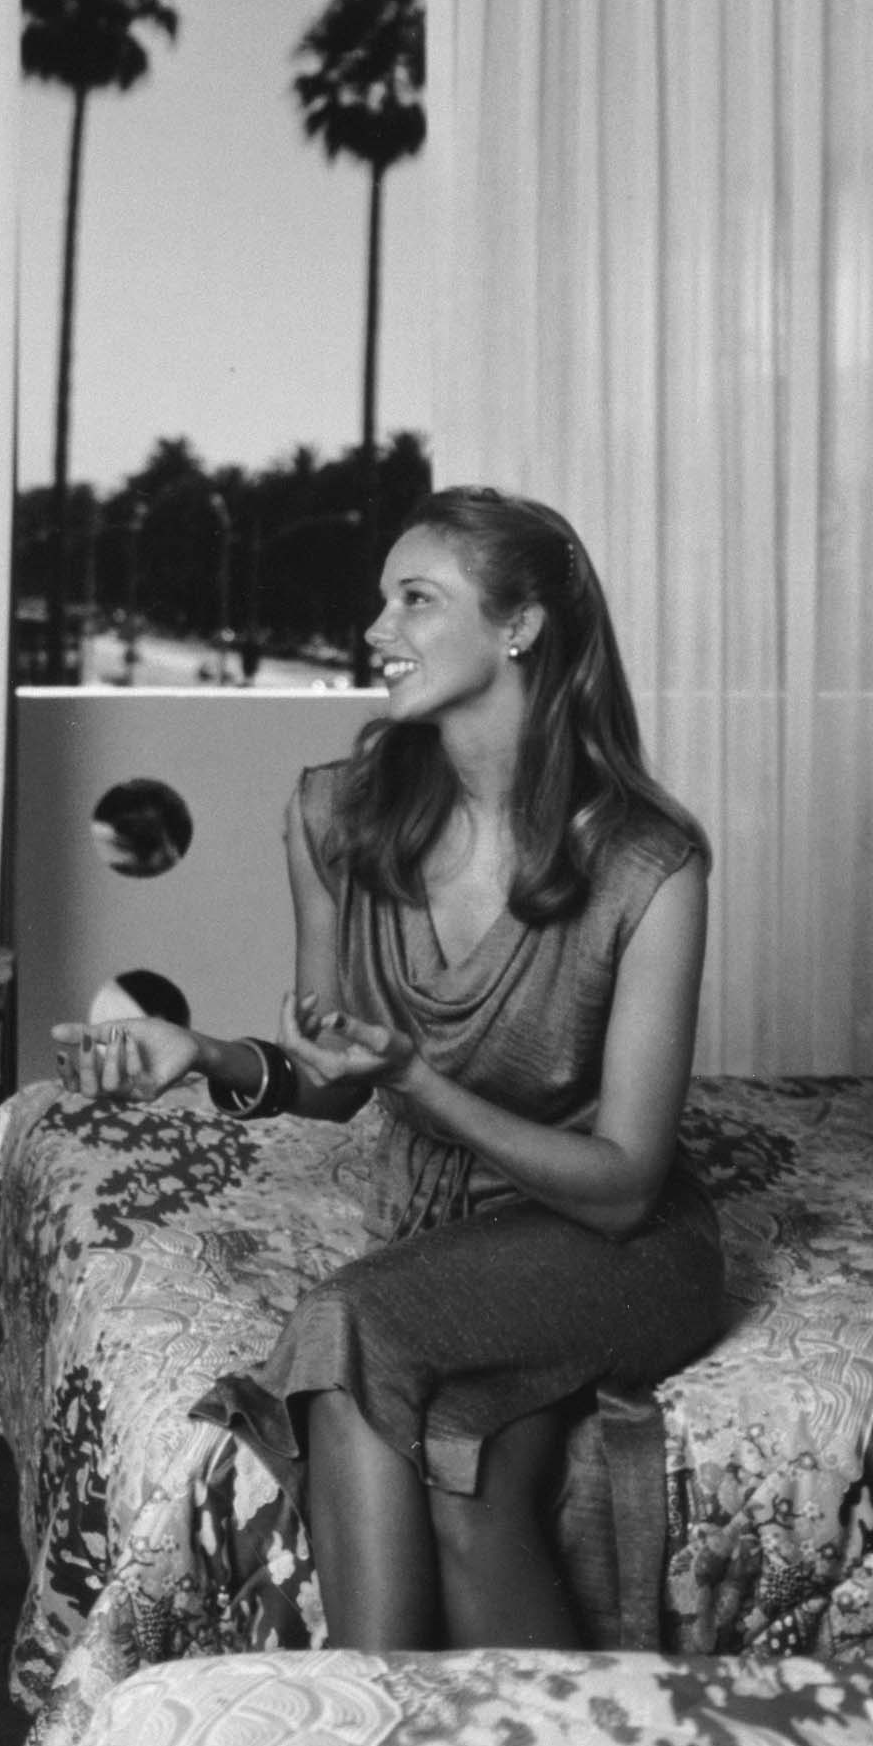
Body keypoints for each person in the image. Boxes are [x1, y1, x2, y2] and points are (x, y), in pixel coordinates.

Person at [77, 486, 719, 1653]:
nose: (376, 631)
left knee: (346, 1322)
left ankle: (367, 1734)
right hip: (443, 1246)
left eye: (415, 599)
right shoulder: (336, 815)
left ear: (520, 624)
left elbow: (627, 1181)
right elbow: (332, 1075)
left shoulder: (649, 864)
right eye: (383, 601)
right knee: (466, 1480)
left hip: (619, 1249)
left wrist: (418, 1083)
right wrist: (203, 1054)